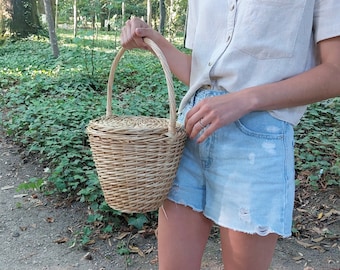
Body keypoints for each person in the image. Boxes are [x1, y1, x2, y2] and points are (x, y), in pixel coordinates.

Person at [120, 1, 340, 269]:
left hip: (255, 143)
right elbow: (200, 73)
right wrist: (156, 41)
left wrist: (245, 99)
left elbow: (335, 73)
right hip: (191, 131)